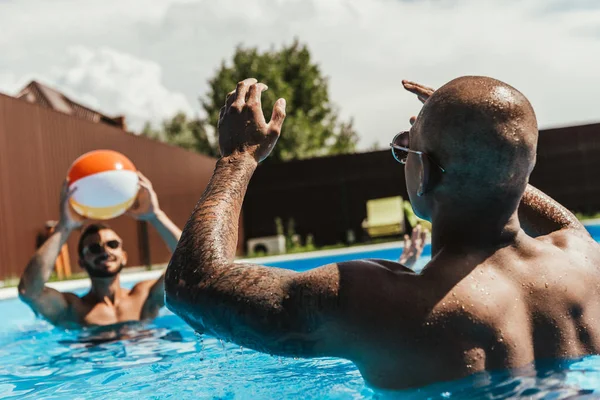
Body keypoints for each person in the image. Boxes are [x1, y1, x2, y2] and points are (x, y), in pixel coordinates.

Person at [164, 77, 600, 390]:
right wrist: (475, 136)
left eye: (405, 150)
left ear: (423, 172)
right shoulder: (583, 259)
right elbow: (517, 181)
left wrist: (237, 157)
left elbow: (192, 283)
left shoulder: (380, 302)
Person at [19, 171, 182, 329]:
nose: (105, 251)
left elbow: (186, 261)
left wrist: (155, 215)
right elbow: (29, 291)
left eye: (112, 244)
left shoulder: (145, 297)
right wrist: (64, 227)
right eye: (94, 248)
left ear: (124, 256)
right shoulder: (73, 309)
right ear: (81, 262)